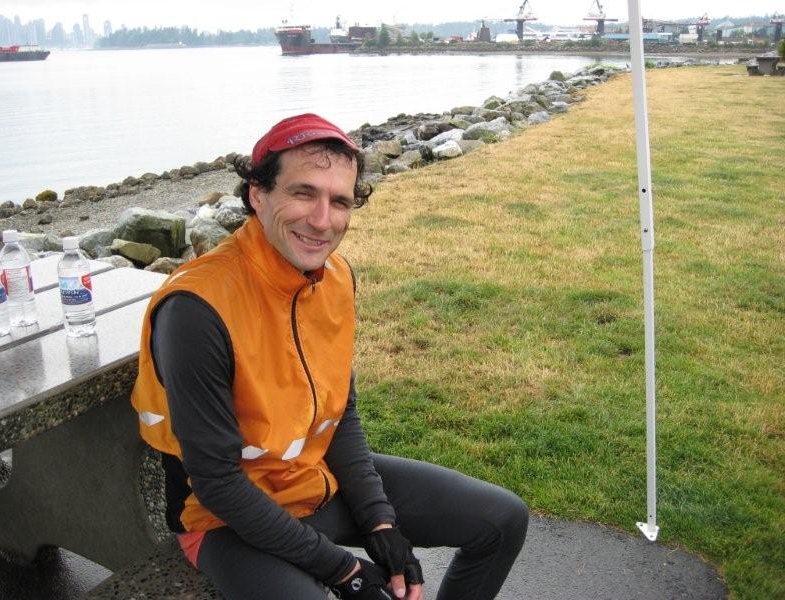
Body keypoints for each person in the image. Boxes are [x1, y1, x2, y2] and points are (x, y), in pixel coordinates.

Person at [131, 113, 529, 600]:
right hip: (226, 519)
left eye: (339, 201)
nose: (322, 221)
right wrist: (344, 570)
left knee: (502, 519)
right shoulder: (197, 308)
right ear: (257, 195)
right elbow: (217, 483)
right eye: (304, 193)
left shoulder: (334, 277)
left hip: (312, 480)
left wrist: (380, 521)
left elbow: (340, 415)